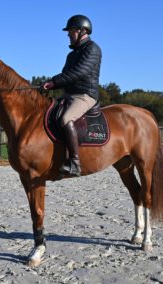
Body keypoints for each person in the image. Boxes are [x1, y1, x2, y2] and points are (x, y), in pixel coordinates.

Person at [42, 15, 102, 177]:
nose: (68, 34)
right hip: (69, 94)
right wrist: (50, 84)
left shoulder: (92, 49)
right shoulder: (72, 54)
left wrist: (54, 82)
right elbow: (66, 75)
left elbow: (79, 72)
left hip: (85, 95)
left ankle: (75, 162)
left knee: (65, 118)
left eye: (71, 31)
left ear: (83, 31)